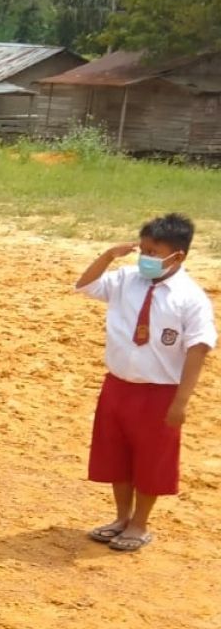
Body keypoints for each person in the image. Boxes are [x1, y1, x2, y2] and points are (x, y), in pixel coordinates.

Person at [76, 214, 215, 552]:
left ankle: (140, 523)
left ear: (177, 256)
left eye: (154, 252)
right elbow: (85, 285)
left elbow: (198, 349)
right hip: (119, 384)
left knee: (151, 461)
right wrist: (109, 255)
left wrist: (181, 402)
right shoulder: (126, 279)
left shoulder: (190, 297)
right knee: (116, 455)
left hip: (159, 392)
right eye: (144, 249)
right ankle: (121, 517)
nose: (146, 258)